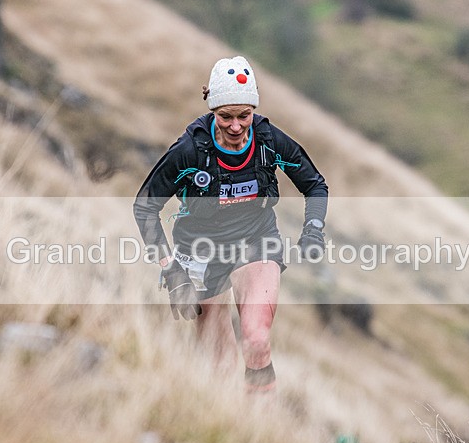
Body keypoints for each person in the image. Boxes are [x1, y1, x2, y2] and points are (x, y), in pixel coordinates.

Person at [133, 56, 328, 394]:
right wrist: (172, 269)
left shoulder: (269, 141)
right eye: (225, 116)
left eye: (244, 116)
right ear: (212, 111)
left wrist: (312, 228)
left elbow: (315, 185)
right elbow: (145, 208)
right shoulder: (190, 151)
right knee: (216, 367)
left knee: (255, 339)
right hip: (199, 249)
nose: (236, 126)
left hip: (257, 240)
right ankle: (230, 421)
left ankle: (262, 421)